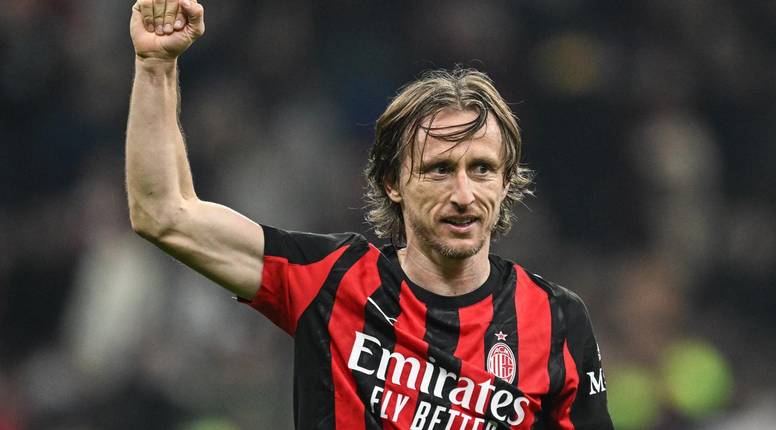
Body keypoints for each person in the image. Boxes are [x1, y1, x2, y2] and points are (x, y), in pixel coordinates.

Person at [126, 1, 614, 428]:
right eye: (439, 169)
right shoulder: (331, 280)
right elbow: (163, 214)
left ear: (506, 182)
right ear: (392, 183)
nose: (464, 194)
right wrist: (155, 65)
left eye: (482, 169)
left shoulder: (558, 320)